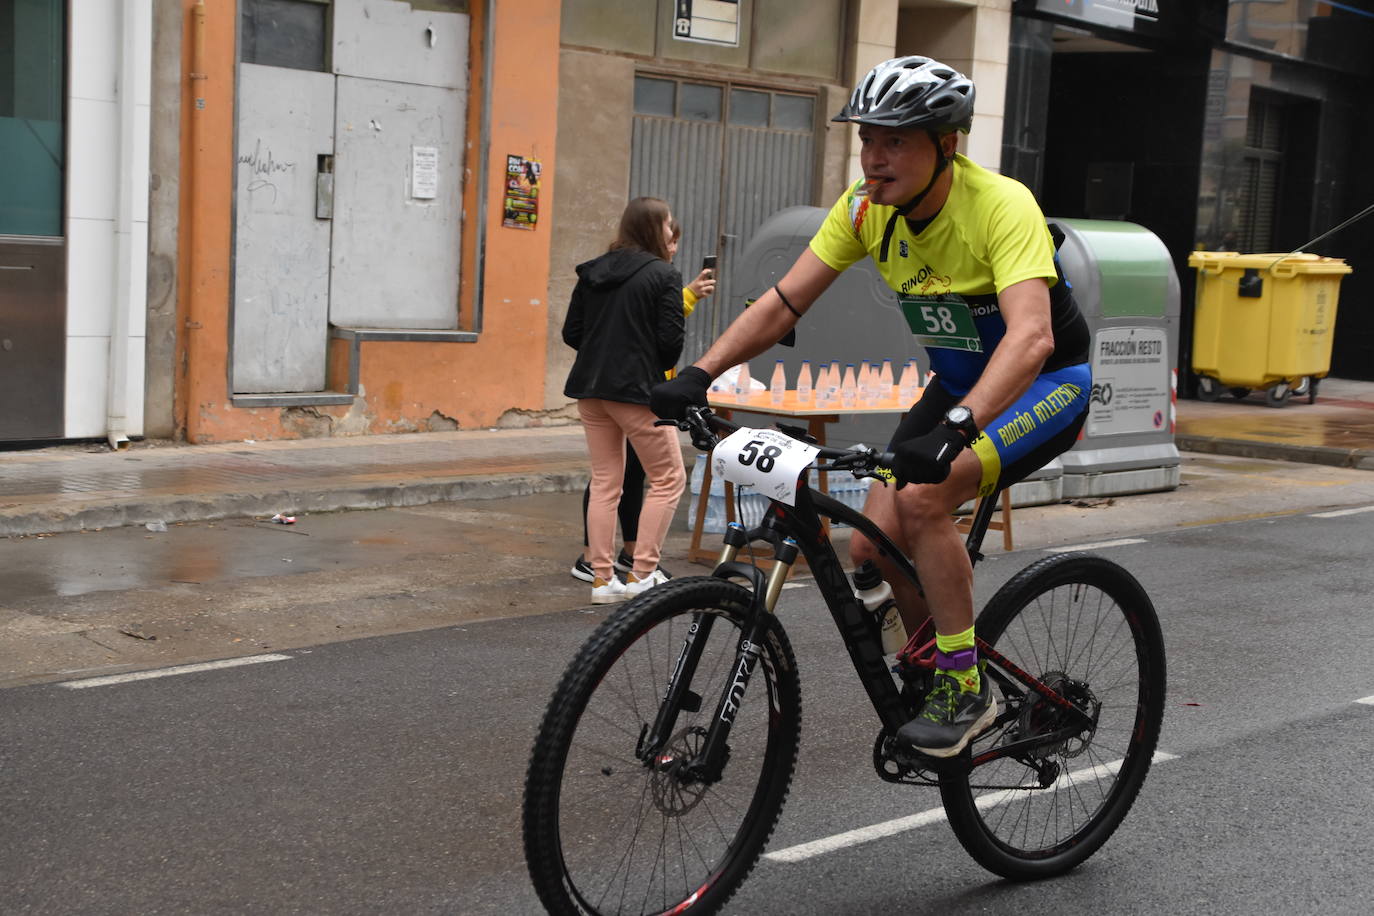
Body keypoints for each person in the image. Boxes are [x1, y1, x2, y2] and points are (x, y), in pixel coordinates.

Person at [650, 57, 1091, 757]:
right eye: (867, 139)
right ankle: (934, 661)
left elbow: (1033, 337)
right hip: (953, 387)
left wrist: (957, 429)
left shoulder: (1000, 205)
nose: (875, 158)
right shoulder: (865, 209)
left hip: (1044, 385)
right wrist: (700, 371)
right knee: (869, 542)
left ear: (946, 145)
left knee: (921, 504)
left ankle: (963, 684)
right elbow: (784, 302)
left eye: (896, 141)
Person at [569, 217, 715, 583]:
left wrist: (602, 355)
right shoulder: (663, 275)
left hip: (590, 389)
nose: (673, 238)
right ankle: (643, 572)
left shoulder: (592, 271)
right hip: (635, 391)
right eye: (668, 228)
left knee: (606, 481)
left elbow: (572, 331)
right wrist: (648, 364)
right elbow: (669, 345)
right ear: (653, 230)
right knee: (668, 478)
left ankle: (602, 578)